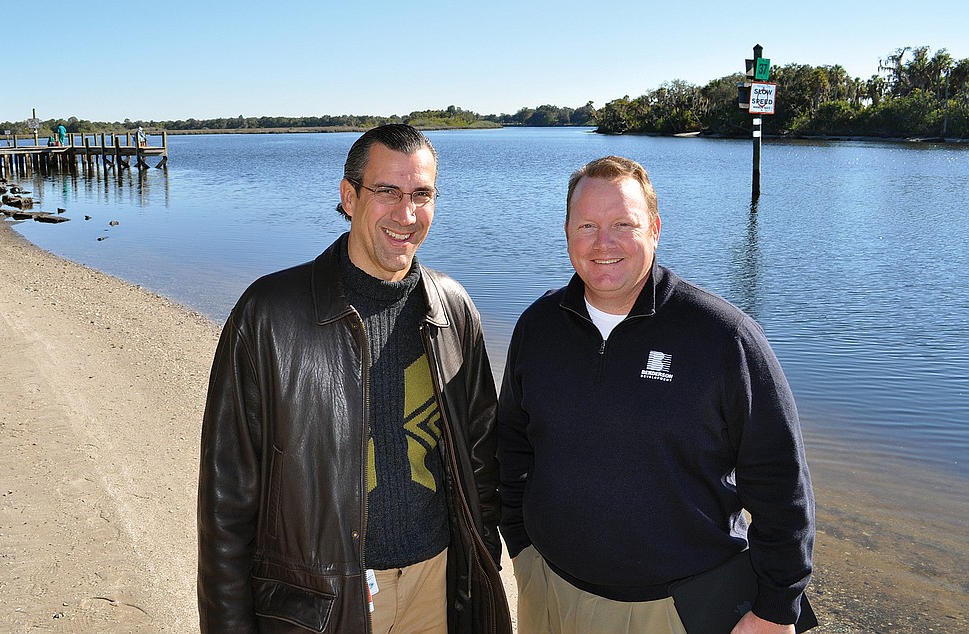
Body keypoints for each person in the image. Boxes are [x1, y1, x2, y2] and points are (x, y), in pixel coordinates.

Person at [198, 124, 511, 634]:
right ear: (349, 196)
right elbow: (226, 505)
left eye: (421, 195)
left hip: (436, 587)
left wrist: (481, 568)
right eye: (387, 191)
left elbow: (481, 462)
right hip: (322, 602)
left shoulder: (452, 309)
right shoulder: (271, 315)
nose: (406, 215)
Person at [498, 156, 815, 634]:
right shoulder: (539, 327)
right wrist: (520, 546)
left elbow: (780, 483)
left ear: (655, 229)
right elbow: (512, 447)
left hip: (675, 607)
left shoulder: (722, 336)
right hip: (550, 591)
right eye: (588, 225)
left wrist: (775, 606)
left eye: (623, 224)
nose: (604, 243)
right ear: (566, 231)